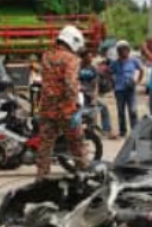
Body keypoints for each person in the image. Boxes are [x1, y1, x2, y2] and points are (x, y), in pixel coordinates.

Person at [36, 26, 87, 178]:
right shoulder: (71, 59)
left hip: (47, 109)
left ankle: (41, 180)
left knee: (45, 147)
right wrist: (75, 104)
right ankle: (84, 176)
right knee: (77, 145)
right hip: (66, 110)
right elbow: (70, 84)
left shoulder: (46, 56)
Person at [110, 40, 143, 137]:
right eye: (120, 50)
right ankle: (122, 131)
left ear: (128, 50)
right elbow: (109, 72)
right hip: (119, 90)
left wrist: (137, 81)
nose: (123, 52)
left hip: (130, 89)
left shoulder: (134, 60)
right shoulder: (115, 63)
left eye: (125, 49)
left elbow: (141, 70)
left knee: (133, 110)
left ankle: (135, 130)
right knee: (121, 111)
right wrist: (113, 82)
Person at [78, 53, 112, 137]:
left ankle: (106, 129)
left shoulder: (93, 69)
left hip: (90, 94)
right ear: (83, 58)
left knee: (103, 107)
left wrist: (95, 97)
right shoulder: (76, 67)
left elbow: (96, 84)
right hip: (79, 94)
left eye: (91, 57)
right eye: (88, 57)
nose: (90, 59)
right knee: (83, 112)